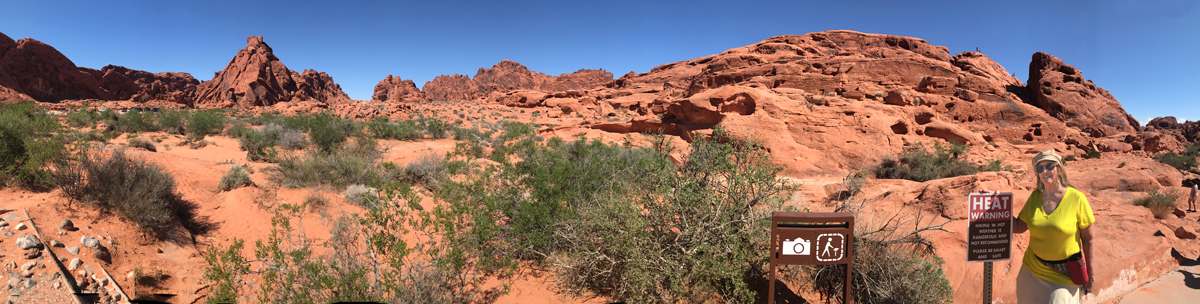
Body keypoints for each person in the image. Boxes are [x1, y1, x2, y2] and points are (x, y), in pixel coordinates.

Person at [983, 150, 1095, 303]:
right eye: (1040, 168)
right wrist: (998, 205)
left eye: (1049, 166)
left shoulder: (1077, 199)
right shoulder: (1035, 197)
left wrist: (1090, 274)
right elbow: (1018, 227)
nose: (1045, 171)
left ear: (1059, 169)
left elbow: (1088, 239)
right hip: (1031, 270)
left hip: (1063, 275)